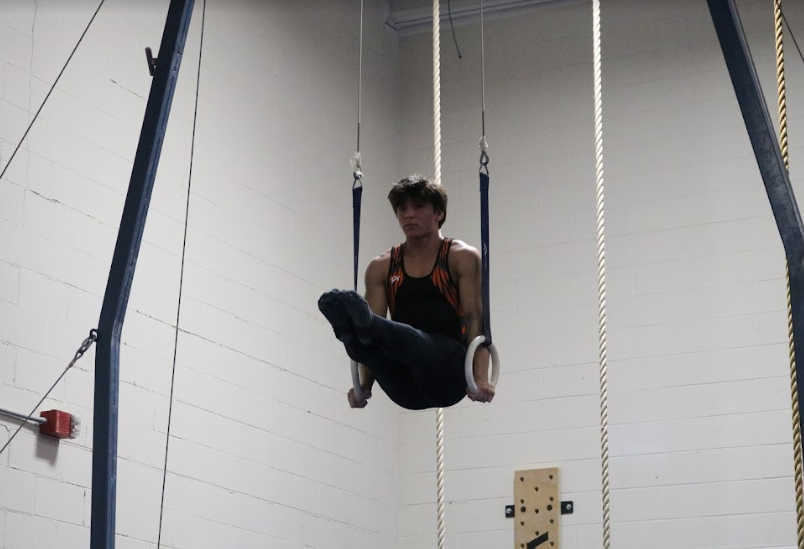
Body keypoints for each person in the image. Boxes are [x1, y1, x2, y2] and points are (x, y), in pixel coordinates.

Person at [318, 175, 495, 410]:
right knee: (369, 342)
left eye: (418, 207)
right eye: (402, 209)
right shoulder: (381, 266)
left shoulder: (460, 257)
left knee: (412, 341)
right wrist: (364, 386)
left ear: (438, 214)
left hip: (448, 373)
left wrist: (480, 378)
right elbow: (371, 335)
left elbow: (476, 320)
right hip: (405, 389)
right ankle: (347, 334)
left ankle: (350, 329)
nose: (408, 214)